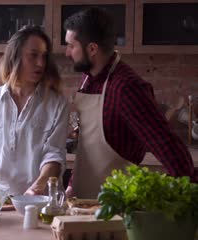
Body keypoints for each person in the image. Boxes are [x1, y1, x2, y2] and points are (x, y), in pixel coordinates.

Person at [63, 7, 198, 199]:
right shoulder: (88, 79)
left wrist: (188, 200)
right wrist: (72, 184)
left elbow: (169, 148)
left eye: (71, 46)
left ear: (92, 49)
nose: (67, 52)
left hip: (116, 208)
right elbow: (89, 150)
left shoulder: (126, 88)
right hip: (82, 202)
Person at [0, 25, 69, 196]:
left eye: (44, 57)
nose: (40, 63)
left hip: (41, 200)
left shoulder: (57, 104)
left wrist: (37, 187)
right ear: (15, 57)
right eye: (33, 55)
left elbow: (54, 154)